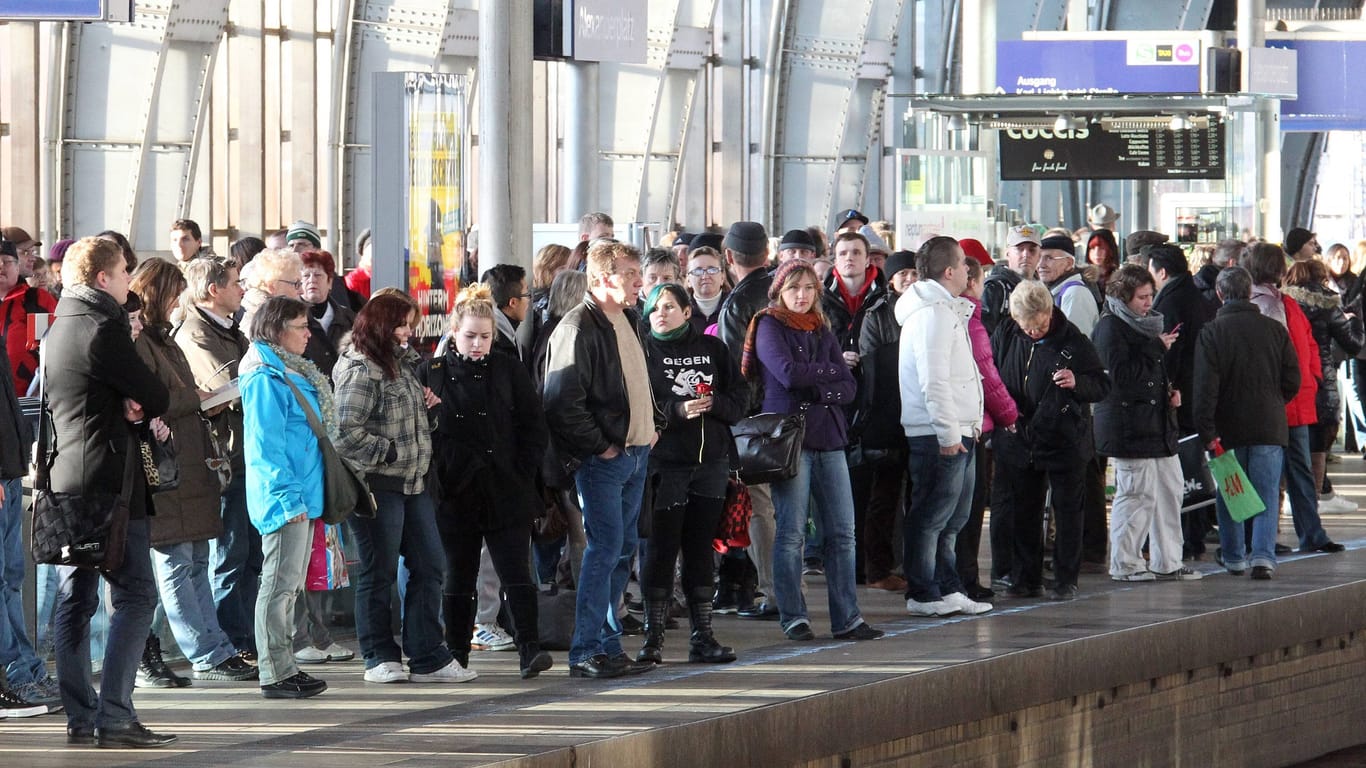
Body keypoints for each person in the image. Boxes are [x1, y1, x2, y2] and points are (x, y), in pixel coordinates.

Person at [46, 237, 175, 746]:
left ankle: (82, 716)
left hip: (68, 480)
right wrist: (136, 402)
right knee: (136, 594)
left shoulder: (60, 324)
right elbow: (157, 393)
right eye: (124, 271)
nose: (129, 280)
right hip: (111, 482)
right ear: (103, 278)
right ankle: (115, 714)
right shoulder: (104, 326)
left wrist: (126, 400)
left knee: (75, 599)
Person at [129, 258, 259, 684]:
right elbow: (156, 398)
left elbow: (169, 396)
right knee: (178, 562)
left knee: (195, 559)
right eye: (171, 294)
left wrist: (192, 398)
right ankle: (205, 651)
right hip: (166, 465)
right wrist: (196, 398)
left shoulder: (164, 339)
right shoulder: (146, 342)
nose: (176, 302)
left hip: (188, 459)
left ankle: (214, 647)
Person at [334, 292, 474, 684]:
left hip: (414, 483)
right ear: (381, 327)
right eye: (401, 325)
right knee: (378, 572)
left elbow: (410, 425)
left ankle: (427, 654)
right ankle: (379, 654)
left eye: (409, 324)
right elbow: (344, 432)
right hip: (378, 485)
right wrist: (390, 451)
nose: (408, 332)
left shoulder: (403, 365)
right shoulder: (362, 369)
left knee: (430, 566)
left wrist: (428, 414)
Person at [742, 259, 883, 642]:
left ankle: (847, 618)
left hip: (830, 438)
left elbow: (849, 387)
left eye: (808, 289)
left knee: (842, 532)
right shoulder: (769, 324)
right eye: (794, 289)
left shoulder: (822, 329)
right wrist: (829, 374)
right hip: (791, 442)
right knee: (791, 533)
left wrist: (819, 386)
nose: (801, 296)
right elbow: (786, 374)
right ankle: (793, 616)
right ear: (779, 292)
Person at [420, 284, 554, 679]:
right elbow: (422, 430)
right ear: (453, 333)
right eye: (470, 336)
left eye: (485, 336)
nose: (477, 344)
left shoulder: (507, 368)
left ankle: (530, 648)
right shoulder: (433, 372)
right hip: (455, 490)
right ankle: (457, 651)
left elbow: (533, 424)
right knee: (458, 575)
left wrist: (522, 471)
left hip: (505, 486)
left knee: (516, 570)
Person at [543, 240, 662, 679]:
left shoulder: (628, 319)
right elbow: (560, 401)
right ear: (600, 279)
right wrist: (601, 446)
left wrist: (655, 424)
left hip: (635, 453)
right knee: (604, 550)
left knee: (622, 549)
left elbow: (643, 381)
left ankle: (607, 645)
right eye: (630, 274)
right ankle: (586, 650)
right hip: (605, 461)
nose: (639, 283)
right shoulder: (577, 328)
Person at [636, 283, 746, 664]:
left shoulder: (713, 349)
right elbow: (640, 405)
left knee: (701, 550)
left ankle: (703, 635)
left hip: (711, 463)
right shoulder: (643, 350)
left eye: (669, 307)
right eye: (654, 309)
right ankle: (653, 638)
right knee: (661, 550)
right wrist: (677, 411)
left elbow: (741, 398)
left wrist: (715, 404)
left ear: (687, 311)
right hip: (666, 465)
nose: (661, 314)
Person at [990, 280, 1110, 601]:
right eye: (1026, 326)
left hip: (1064, 440)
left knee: (1068, 510)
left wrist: (1077, 382)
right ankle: (1025, 577)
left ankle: (1065, 578)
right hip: (1020, 436)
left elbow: (1101, 385)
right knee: (1024, 510)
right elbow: (993, 374)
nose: (1033, 332)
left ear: (1050, 312)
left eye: (1039, 325)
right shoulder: (1006, 333)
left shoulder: (1074, 341)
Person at [239, 297, 329, 699]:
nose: (308, 332)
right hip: (285, 498)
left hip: (300, 494)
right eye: (299, 325)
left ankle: (284, 665)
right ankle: (275, 671)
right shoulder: (265, 378)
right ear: (276, 330)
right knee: (277, 587)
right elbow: (265, 448)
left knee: (287, 587)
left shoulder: (286, 370)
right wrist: (288, 500)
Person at [896, 237, 989, 618]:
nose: (969, 271)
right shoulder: (931, 314)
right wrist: (949, 434)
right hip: (937, 434)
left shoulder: (948, 310)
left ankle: (948, 587)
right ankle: (922, 592)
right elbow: (933, 380)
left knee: (954, 519)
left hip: (959, 429)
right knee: (931, 516)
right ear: (949, 271)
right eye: (964, 264)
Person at [174, 255, 259, 664]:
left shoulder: (231, 329)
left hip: (247, 452)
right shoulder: (196, 332)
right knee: (229, 556)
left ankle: (248, 637)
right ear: (213, 290)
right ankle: (233, 640)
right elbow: (224, 387)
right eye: (235, 282)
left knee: (250, 556)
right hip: (226, 457)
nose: (242, 288)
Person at [1092, 264, 1199, 582]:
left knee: (1170, 490)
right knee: (1136, 495)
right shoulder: (1110, 328)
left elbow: (1149, 375)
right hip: (1128, 427)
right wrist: (1156, 349)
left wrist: (1169, 391)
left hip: (1156, 424)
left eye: (1151, 295)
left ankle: (1169, 560)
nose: (1148, 303)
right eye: (1141, 297)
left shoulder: (1146, 326)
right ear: (1123, 297)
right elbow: (1118, 378)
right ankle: (1125, 562)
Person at [1194, 267, 1301, 579]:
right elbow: (1293, 378)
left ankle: (1234, 555)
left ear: (1219, 294)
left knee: (1231, 492)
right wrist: (1274, 401)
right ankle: (1263, 557)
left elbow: (1204, 388)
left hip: (1227, 430)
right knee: (1267, 493)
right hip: (1269, 424)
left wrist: (1207, 431)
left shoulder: (1211, 332)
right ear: (1250, 292)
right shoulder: (1275, 330)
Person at [1244, 243, 1346, 555]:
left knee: (1298, 471)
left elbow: (1309, 344)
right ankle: (1261, 538)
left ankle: (1310, 533)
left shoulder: (1285, 301)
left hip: (1296, 400)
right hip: (1274, 403)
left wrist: (1312, 379)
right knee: (1268, 475)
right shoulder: (1258, 304)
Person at [0, 242, 59, 715]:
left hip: (12, 460)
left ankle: (24, 670)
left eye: (7, 260)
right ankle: (14, 675)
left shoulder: (38, 304)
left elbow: (44, 361)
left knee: (12, 577)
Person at [953, 255, 1017, 602]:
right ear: (973, 282)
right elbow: (988, 379)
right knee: (969, 509)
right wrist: (1010, 415)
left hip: (962, 422)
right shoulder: (972, 323)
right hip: (972, 425)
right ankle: (965, 578)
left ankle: (961, 577)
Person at [854, 249, 917, 593]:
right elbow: (871, 366)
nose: (908, 279)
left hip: (922, 414)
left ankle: (914, 564)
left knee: (919, 496)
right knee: (884, 496)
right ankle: (878, 567)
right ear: (890, 279)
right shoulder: (877, 314)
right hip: (887, 415)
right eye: (901, 274)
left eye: (913, 273)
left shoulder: (931, 309)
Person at [1282, 259, 1364, 514]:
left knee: (1287, 446)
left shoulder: (1283, 303)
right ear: (1321, 277)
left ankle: (1281, 502)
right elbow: (1353, 344)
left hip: (1287, 384)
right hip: (1321, 384)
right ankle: (1311, 507)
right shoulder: (1329, 305)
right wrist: (1355, 322)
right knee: (1318, 448)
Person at [1, 237, 58, 396]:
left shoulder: (37, 300)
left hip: (29, 401)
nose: (1, 266)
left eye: (6, 261)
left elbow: (58, 349)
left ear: (18, 267)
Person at [298, 249, 357, 378]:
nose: (312, 280)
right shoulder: (291, 319)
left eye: (318, 275)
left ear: (329, 282)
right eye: (306, 276)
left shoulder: (348, 318)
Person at [981, 225, 1041, 336]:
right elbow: (985, 334)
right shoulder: (995, 287)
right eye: (1019, 249)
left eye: (1032, 250)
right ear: (1007, 253)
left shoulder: (1043, 289)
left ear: (1039, 255)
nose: (1026, 254)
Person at [241, 248, 303, 331]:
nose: (302, 291)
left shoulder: (277, 317)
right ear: (272, 286)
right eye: (296, 284)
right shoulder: (259, 325)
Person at [685, 246, 727, 333]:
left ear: (722, 277)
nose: (705, 276)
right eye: (697, 271)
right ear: (688, 280)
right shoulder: (681, 311)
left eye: (712, 270)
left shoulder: (734, 307)